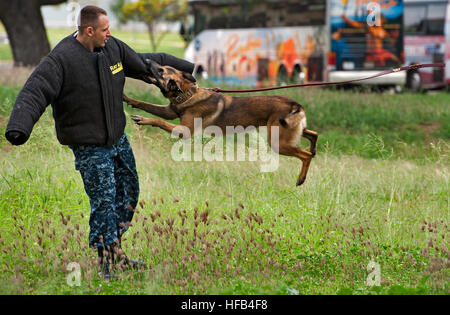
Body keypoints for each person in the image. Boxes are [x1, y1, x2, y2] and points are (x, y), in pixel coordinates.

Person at [4, 5, 194, 279]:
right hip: (89, 144)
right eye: (105, 30)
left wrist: (188, 72)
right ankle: (107, 264)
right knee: (104, 201)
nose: (110, 34)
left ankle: (115, 251)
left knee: (129, 192)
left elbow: (144, 62)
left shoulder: (112, 48)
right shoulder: (61, 59)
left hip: (117, 137)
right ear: (89, 30)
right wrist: (19, 127)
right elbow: (35, 91)